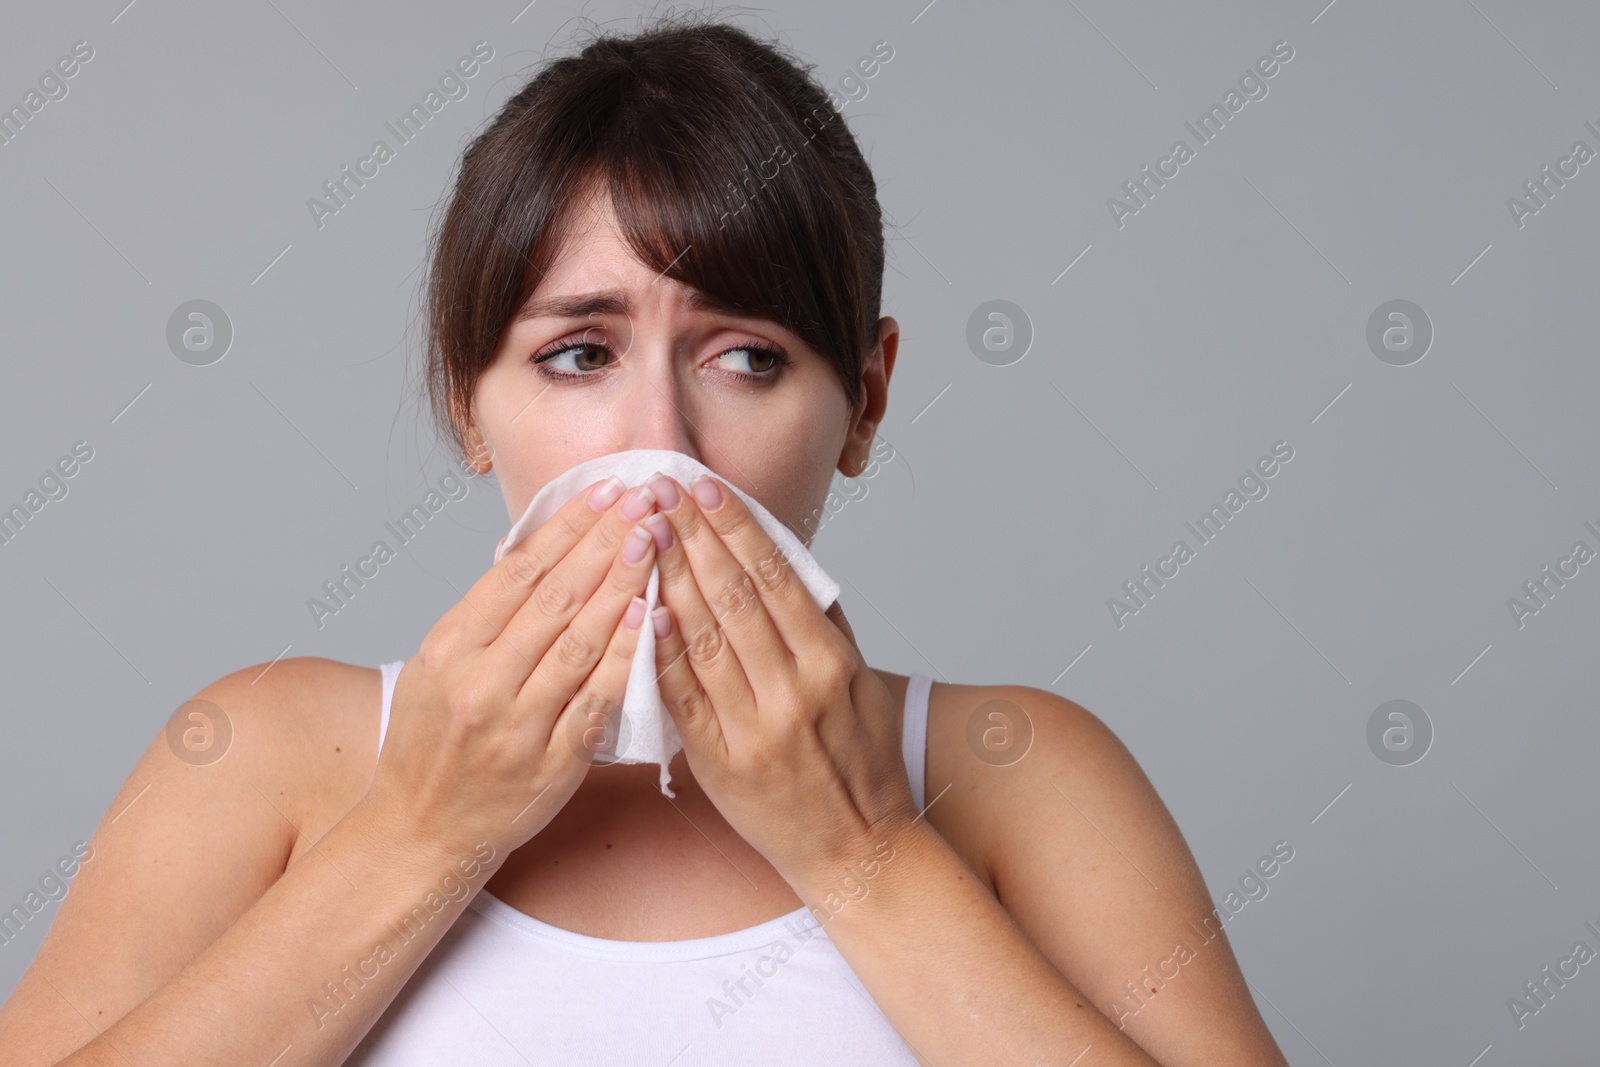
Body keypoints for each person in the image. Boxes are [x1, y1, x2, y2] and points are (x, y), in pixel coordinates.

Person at [0, 14, 1289, 1065]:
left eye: (745, 356)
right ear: (466, 400)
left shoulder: (1023, 778)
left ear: (867, 399)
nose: (659, 444)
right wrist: (421, 834)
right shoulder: (266, 761)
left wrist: (867, 858)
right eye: (577, 354)